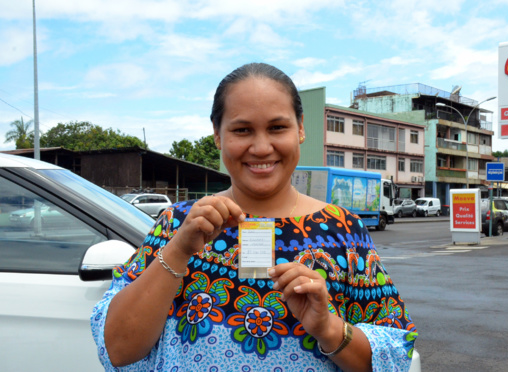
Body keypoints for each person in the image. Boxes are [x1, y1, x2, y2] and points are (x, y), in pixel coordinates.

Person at [91, 63, 417, 371]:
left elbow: (390, 358)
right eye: (242, 130)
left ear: (300, 129)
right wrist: (178, 251)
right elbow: (119, 349)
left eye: (277, 127)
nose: (261, 148)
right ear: (218, 135)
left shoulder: (344, 231)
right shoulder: (177, 225)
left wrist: (329, 328)